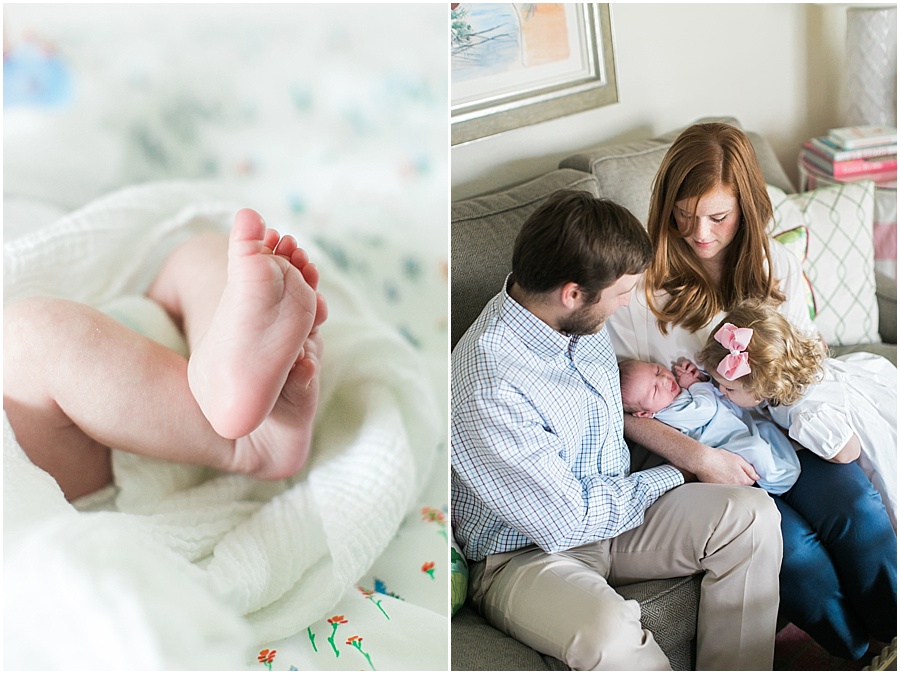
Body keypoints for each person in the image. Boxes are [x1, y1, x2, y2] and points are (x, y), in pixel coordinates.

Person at [451, 189, 783, 670]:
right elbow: (567, 521)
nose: (627, 303)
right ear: (572, 293)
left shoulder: (571, 323)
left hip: (616, 513)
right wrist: (681, 472)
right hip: (525, 553)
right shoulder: (491, 382)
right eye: (623, 292)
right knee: (607, 632)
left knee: (749, 516)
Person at [606, 122, 897, 661]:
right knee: (797, 554)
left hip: (780, 426)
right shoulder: (638, 289)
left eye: (718, 217)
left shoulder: (772, 264)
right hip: (704, 452)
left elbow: (800, 367)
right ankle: (863, 657)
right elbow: (617, 406)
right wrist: (700, 458)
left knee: (859, 510)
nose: (700, 233)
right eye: (684, 213)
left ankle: (895, 638)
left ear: (747, 207)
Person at [4, 208, 327, 502]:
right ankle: (247, 443)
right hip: (70, 433)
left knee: (199, 252)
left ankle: (219, 371)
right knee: (30, 340)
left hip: (132, 333)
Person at [695, 299, 897, 530]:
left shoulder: (805, 414)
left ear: (763, 388)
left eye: (729, 388)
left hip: (876, 431)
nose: (720, 391)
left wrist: (800, 436)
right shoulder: (791, 375)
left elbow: (848, 452)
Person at [618, 357, 800, 495]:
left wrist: (700, 377)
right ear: (645, 414)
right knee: (756, 449)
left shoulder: (673, 397)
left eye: (657, 371)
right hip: (728, 445)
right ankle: (777, 481)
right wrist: (695, 384)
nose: (664, 381)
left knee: (766, 430)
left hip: (739, 428)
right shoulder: (669, 412)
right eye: (655, 390)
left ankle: (786, 465)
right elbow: (706, 408)